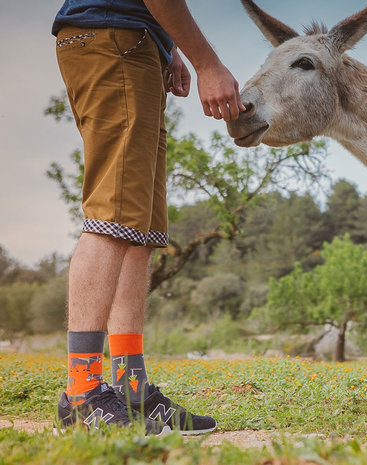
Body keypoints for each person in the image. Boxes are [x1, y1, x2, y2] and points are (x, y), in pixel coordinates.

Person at [52, 0, 245, 436]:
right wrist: (207, 62)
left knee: (137, 231)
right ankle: (81, 394)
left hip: (136, 44)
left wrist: (170, 49)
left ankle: (130, 388)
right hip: (112, 40)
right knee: (112, 215)